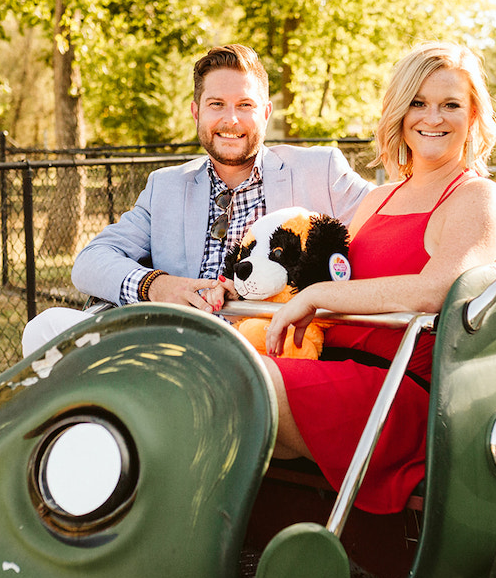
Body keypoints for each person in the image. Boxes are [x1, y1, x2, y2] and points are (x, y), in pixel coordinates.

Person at [254, 41, 496, 515]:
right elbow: (332, 273)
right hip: (333, 365)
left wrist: (318, 295)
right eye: (418, 102)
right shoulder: (379, 199)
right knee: (207, 366)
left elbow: (438, 290)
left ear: (472, 116)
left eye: (450, 105)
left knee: (239, 382)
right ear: (399, 111)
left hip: (397, 391)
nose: (432, 118)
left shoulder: (478, 198)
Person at [21, 44, 372, 356]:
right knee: (45, 328)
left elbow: (392, 221)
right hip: (169, 345)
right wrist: (156, 285)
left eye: (245, 105)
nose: (231, 119)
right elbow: (90, 261)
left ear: (265, 114)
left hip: (263, 351)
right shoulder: (166, 186)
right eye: (216, 104)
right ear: (196, 113)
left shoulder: (319, 169)